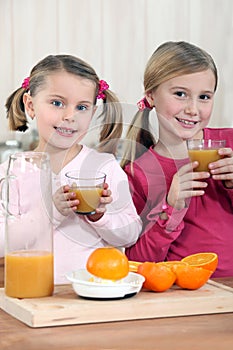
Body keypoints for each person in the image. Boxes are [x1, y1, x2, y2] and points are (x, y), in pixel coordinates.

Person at [0, 54, 142, 284]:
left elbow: (130, 234)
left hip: (95, 294)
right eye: (57, 103)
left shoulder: (104, 167)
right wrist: (51, 211)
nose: (69, 116)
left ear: (93, 113)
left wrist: (100, 217)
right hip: (31, 293)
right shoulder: (12, 171)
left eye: (82, 107)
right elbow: (3, 243)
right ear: (30, 105)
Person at [121, 41, 233, 277]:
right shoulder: (138, 173)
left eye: (204, 97)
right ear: (151, 95)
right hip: (180, 294)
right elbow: (136, 262)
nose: (193, 109)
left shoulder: (229, 144)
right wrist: (171, 208)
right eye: (180, 94)